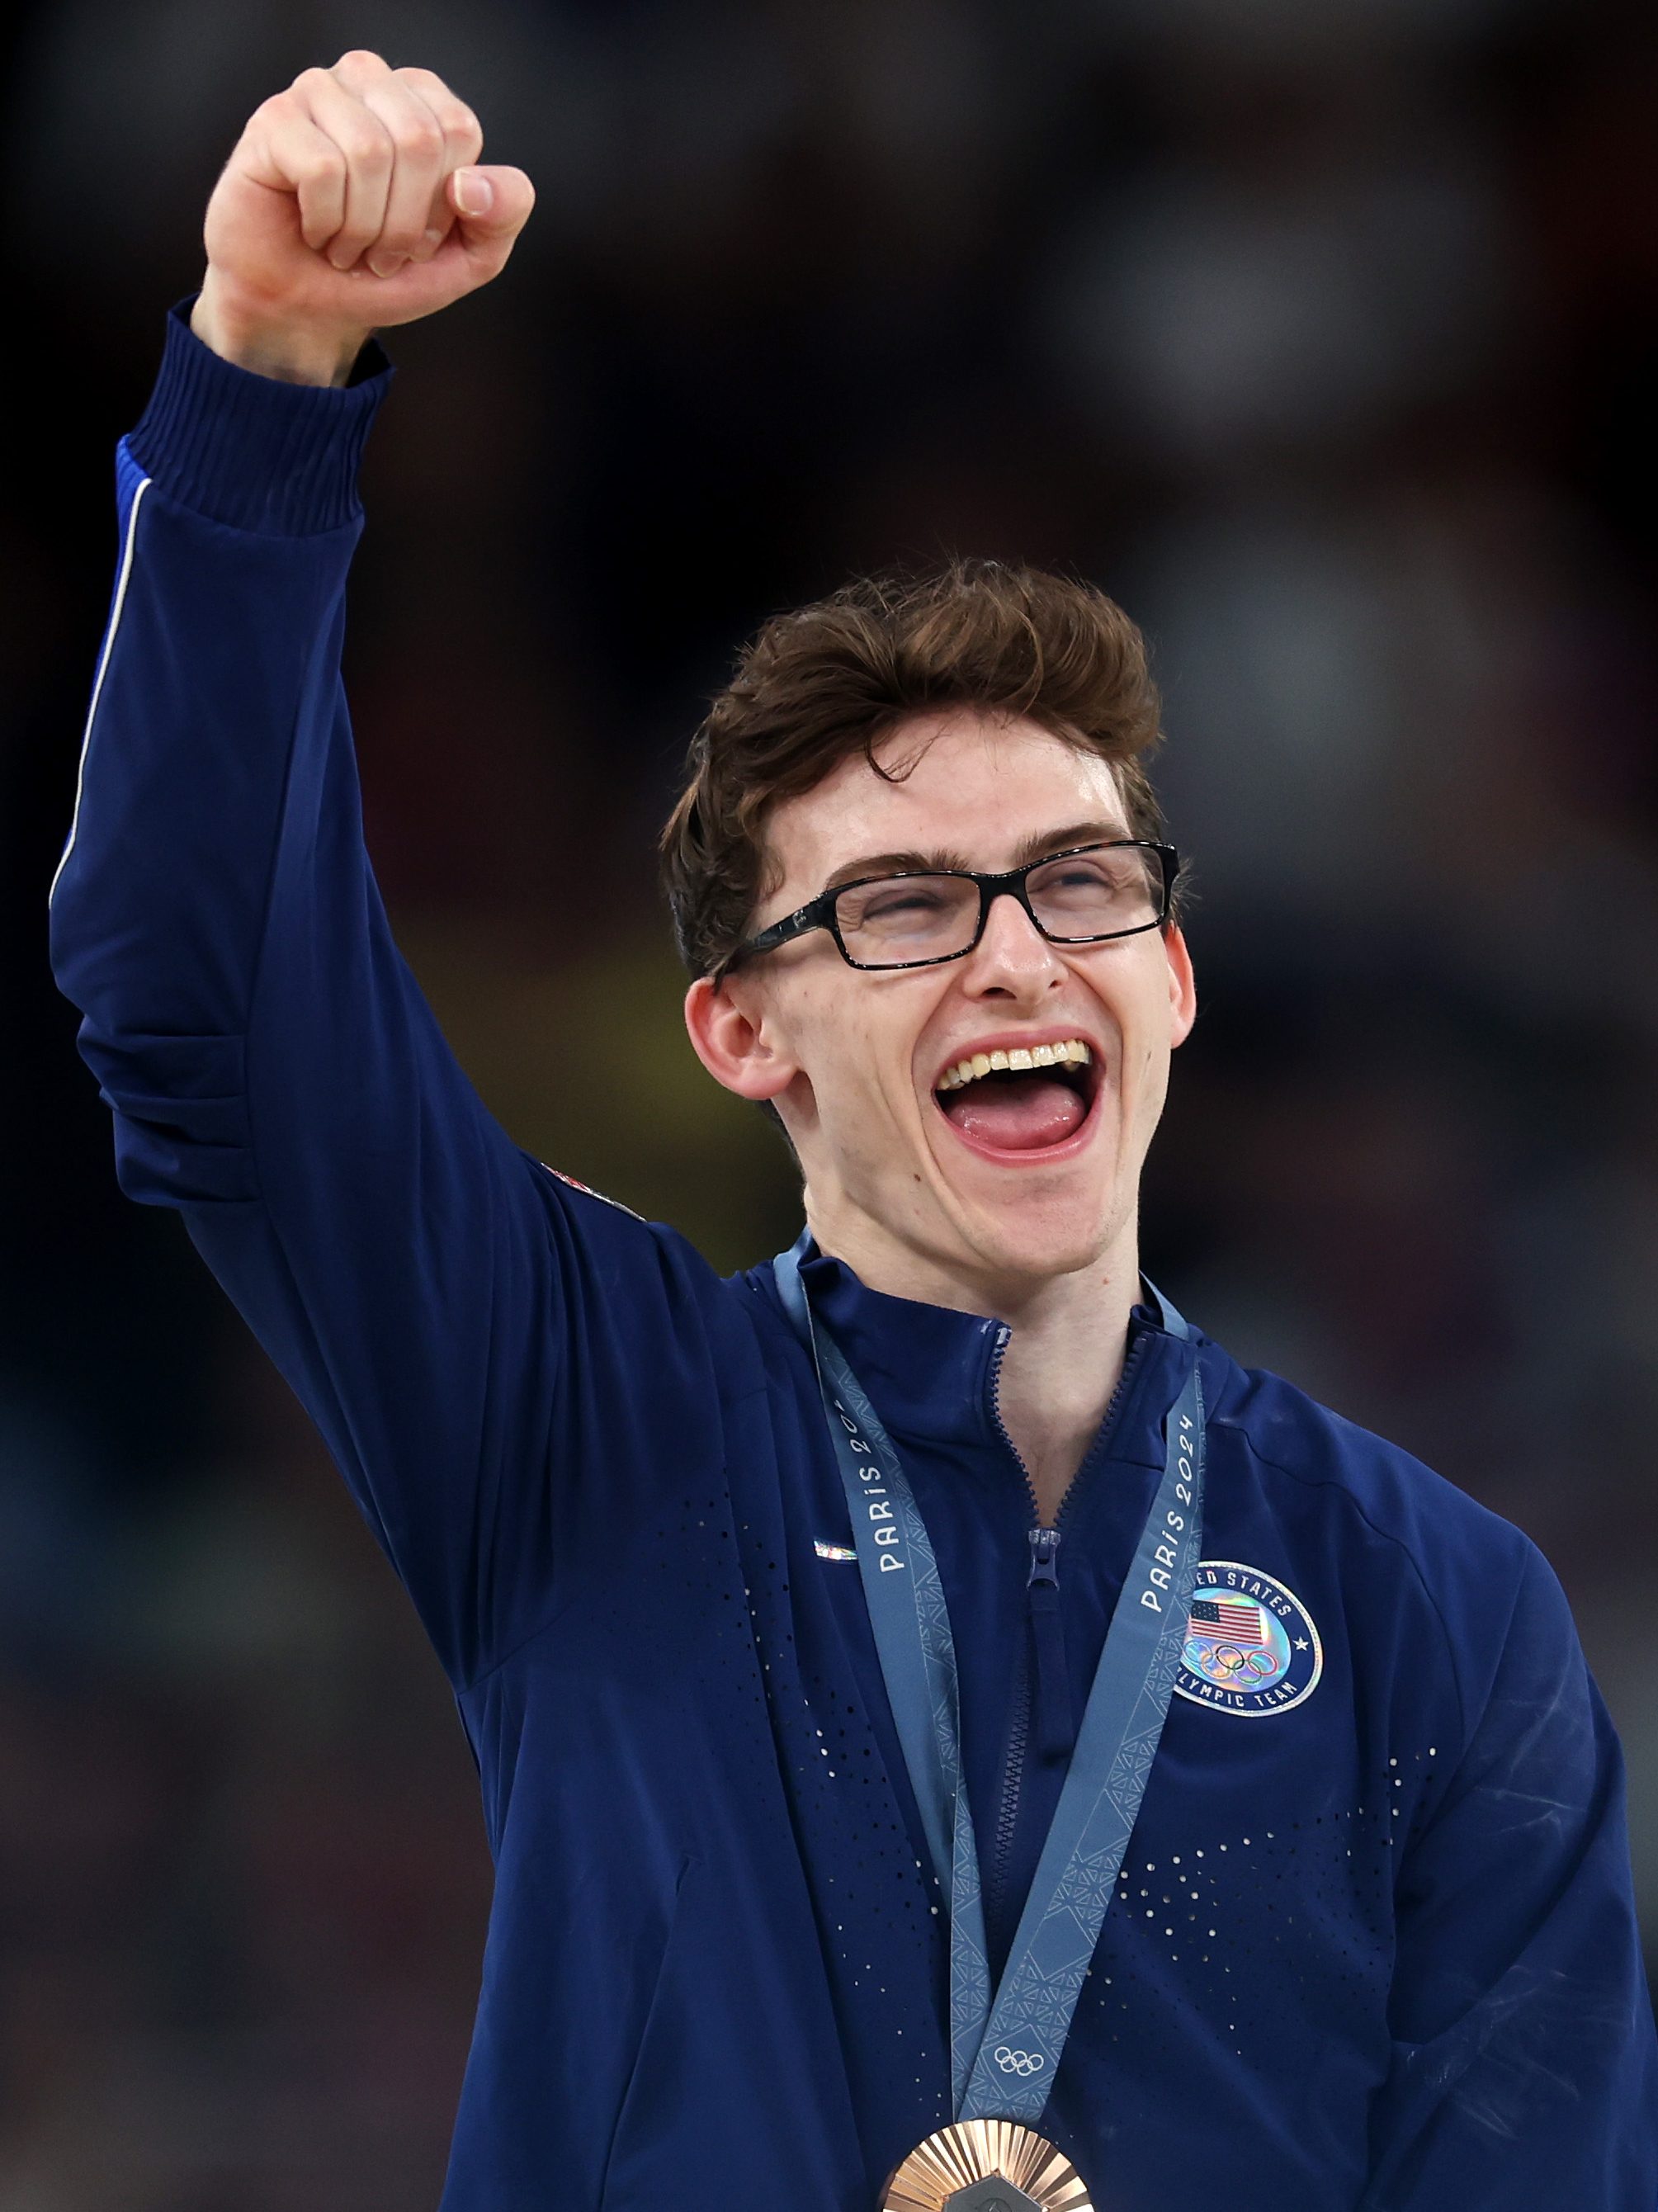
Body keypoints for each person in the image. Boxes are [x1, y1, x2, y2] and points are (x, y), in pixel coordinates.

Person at [48, 50, 1658, 2212]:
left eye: (1079, 887)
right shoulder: (586, 1418)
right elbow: (193, 989)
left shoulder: (1425, 1602)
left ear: (1169, 979)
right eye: (899, 908)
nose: (1013, 956)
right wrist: (265, 368)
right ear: (739, 1032)